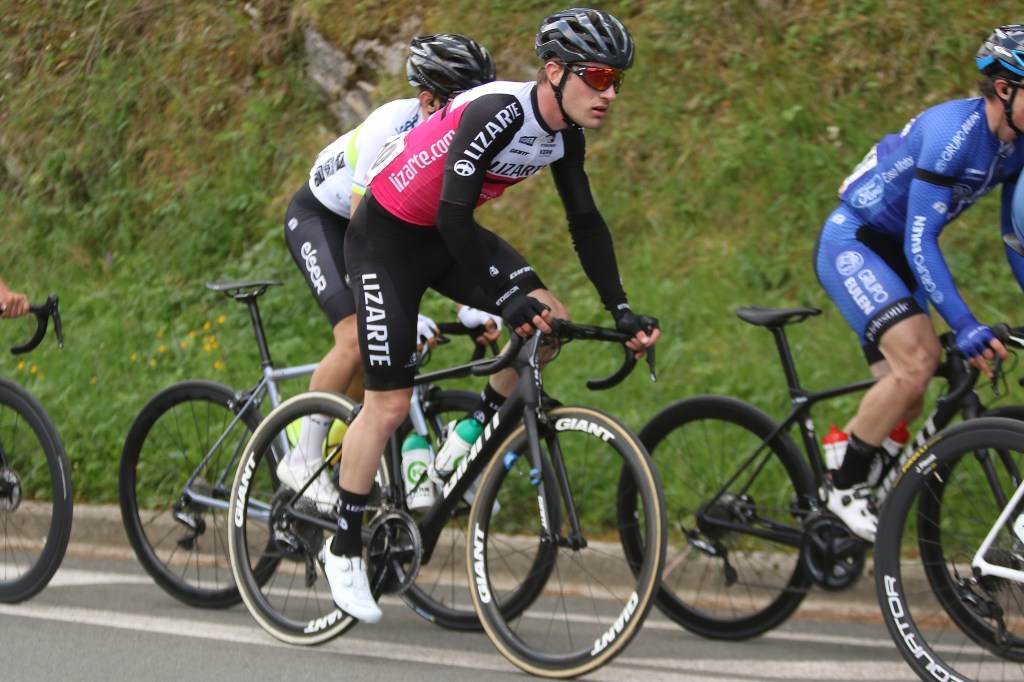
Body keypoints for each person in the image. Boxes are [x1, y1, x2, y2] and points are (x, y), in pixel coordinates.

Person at [319, 7, 660, 623]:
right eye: (598, 76)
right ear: (554, 72)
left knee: (549, 320)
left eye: (617, 80)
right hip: (385, 241)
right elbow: (452, 216)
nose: (609, 93)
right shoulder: (497, 110)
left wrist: (623, 309)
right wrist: (504, 299)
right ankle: (342, 546)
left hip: (442, 237)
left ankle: (467, 436)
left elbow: (585, 223)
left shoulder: (565, 135)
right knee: (388, 404)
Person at [814, 24, 1024, 543]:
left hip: (896, 254)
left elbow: (1014, 235)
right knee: (917, 362)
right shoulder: (954, 133)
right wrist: (964, 323)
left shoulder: (1015, 145)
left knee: (908, 391)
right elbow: (919, 241)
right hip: (857, 242)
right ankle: (844, 488)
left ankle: (845, 452)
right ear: (1004, 89)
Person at [279, 33, 502, 514]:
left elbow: (445, 230)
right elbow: (366, 235)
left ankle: (343, 454)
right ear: (428, 100)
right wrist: (397, 311)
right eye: (465, 101)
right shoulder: (390, 127)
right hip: (327, 220)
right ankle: (301, 457)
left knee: (377, 364)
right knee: (357, 336)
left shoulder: (463, 139)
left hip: (376, 230)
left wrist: (469, 304)